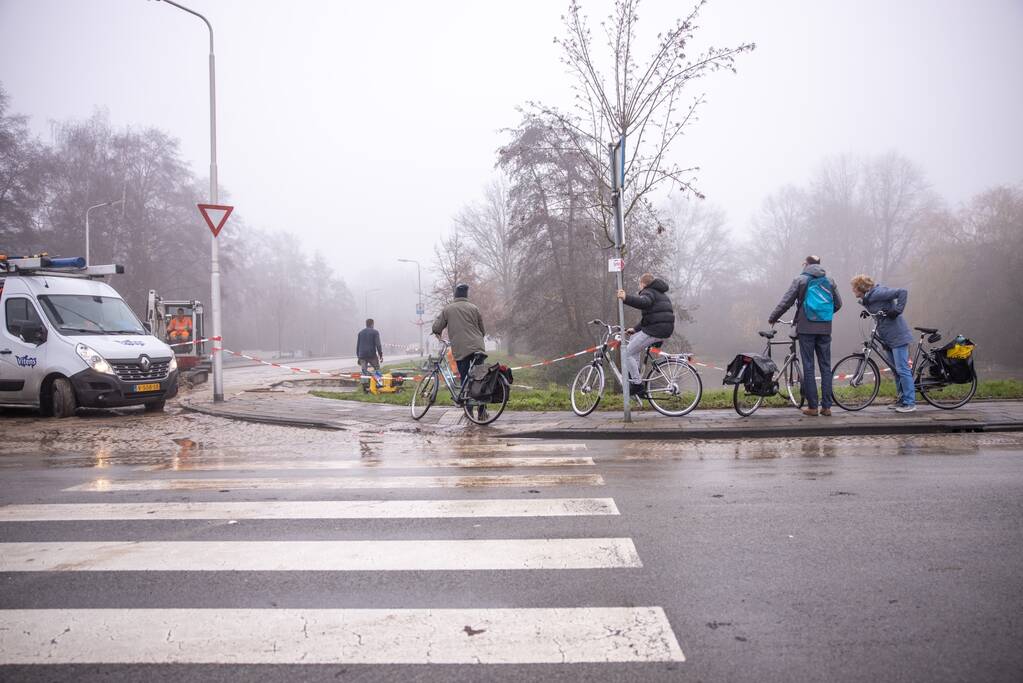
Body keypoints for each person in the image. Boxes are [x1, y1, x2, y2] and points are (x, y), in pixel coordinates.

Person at [768, 255, 843, 416]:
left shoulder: (800, 280)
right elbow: (838, 304)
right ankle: (827, 407)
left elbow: (786, 302)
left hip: (806, 328)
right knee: (826, 366)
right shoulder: (829, 281)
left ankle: (813, 407)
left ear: (806, 264)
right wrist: (823, 315)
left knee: (808, 366)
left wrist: (773, 317)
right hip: (825, 328)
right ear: (819, 264)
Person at [851, 274, 916, 413]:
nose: (852, 290)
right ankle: (901, 400)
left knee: (902, 369)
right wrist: (868, 312)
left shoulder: (878, 293)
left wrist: (897, 310)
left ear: (861, 287)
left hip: (897, 335)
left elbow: (902, 292)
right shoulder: (867, 299)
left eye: (854, 288)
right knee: (895, 370)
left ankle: (910, 403)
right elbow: (877, 308)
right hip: (887, 337)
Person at [616, 273, 675, 398]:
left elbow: (644, 303)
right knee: (633, 338)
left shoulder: (648, 292)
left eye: (639, 284)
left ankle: (637, 384)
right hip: (662, 328)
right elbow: (651, 318)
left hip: (655, 330)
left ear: (642, 284)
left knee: (626, 353)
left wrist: (625, 298)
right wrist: (635, 329)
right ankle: (635, 375)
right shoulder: (660, 293)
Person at [432, 283, 486, 411]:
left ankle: (468, 411)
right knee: (479, 378)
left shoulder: (448, 309)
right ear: (466, 295)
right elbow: (482, 331)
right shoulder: (474, 308)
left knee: (465, 377)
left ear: (455, 295)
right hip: (478, 347)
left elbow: (437, 327)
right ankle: (482, 411)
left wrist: (437, 333)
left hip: (462, 349)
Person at [356, 319, 383, 387]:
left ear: (366, 324)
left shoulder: (360, 333)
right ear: (372, 324)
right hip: (372, 355)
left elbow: (358, 346)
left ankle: (365, 386)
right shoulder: (375, 332)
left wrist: (359, 357)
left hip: (362, 355)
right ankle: (379, 385)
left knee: (364, 370)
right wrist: (380, 355)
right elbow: (378, 345)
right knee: (377, 369)